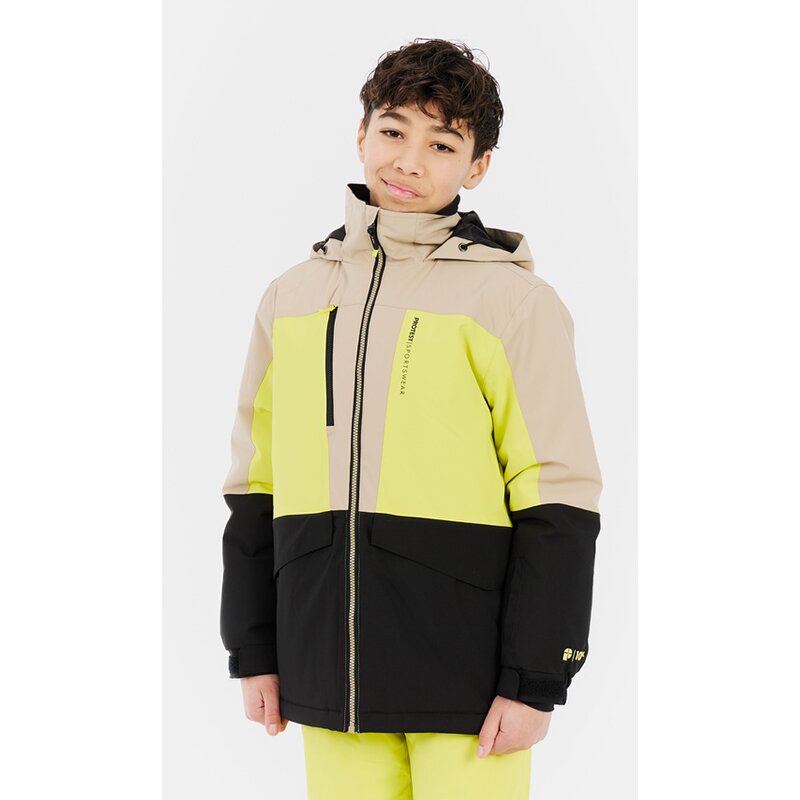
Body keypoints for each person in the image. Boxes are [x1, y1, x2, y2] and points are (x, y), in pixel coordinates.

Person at [219, 37, 603, 800]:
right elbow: (255, 482)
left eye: (443, 144)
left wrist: (536, 678)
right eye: (393, 131)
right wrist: (253, 647)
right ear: (362, 134)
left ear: (478, 166)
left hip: (468, 677)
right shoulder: (292, 297)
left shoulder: (511, 302)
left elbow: (558, 491)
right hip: (326, 667)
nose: (409, 160)